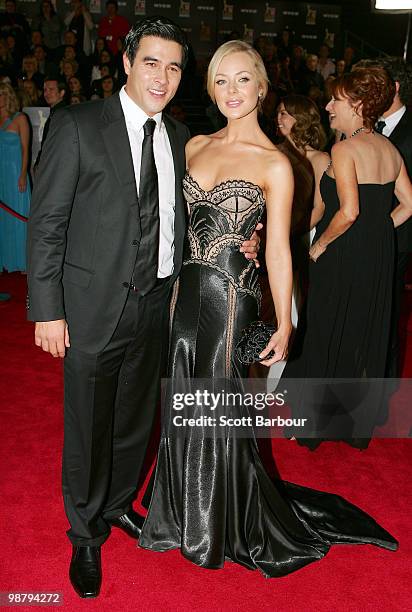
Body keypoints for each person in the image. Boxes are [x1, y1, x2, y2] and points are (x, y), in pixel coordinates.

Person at [138, 42, 398, 577]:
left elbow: (278, 248)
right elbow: (169, 224)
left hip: (233, 297)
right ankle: (182, 512)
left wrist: (285, 320)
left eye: (242, 80)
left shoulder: (277, 164)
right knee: (184, 392)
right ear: (211, 88)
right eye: (221, 81)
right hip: (185, 293)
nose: (232, 92)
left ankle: (215, 520)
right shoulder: (193, 147)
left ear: (261, 87)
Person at [27, 17, 258, 599]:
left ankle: (115, 504)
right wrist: (46, 309)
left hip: (159, 303)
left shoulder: (181, 137)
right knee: (88, 426)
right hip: (89, 307)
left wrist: (243, 239)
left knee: (134, 422)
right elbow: (48, 224)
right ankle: (84, 534)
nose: (163, 76)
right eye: (152, 62)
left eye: (175, 66)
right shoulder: (78, 124)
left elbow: (201, 209)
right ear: (127, 63)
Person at [283, 67, 412, 449]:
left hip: (341, 253)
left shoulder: (343, 149)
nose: (328, 106)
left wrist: (320, 245)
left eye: (335, 100)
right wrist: (379, 232)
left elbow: (349, 211)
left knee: (324, 330)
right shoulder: (388, 149)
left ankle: (311, 423)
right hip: (375, 255)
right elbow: (408, 204)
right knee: (359, 331)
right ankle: (347, 423)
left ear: (356, 105)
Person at [0, 82, 30, 272]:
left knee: (18, 216)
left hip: (15, 174)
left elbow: (26, 149)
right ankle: (5, 261)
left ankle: (22, 261)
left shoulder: (20, 118)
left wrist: (23, 175)